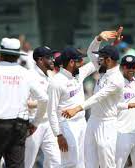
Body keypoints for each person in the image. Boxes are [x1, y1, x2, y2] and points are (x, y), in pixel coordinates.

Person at [47, 29, 121, 167]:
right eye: (79, 60)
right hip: (66, 125)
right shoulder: (56, 82)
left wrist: (99, 39)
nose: (82, 62)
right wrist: (58, 135)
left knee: (83, 163)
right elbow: (51, 111)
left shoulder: (78, 74)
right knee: (70, 162)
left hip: (82, 123)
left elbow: (96, 58)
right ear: (71, 63)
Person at [0, 37, 48, 167]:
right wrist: (35, 122)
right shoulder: (27, 74)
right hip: (19, 126)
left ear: (1, 54)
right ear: (17, 55)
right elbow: (44, 98)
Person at [24, 46, 61, 168]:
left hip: (49, 124)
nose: (53, 60)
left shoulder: (50, 76)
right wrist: (45, 103)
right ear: (40, 60)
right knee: (26, 163)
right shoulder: (29, 75)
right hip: (32, 124)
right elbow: (23, 102)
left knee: (56, 162)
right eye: (49, 58)